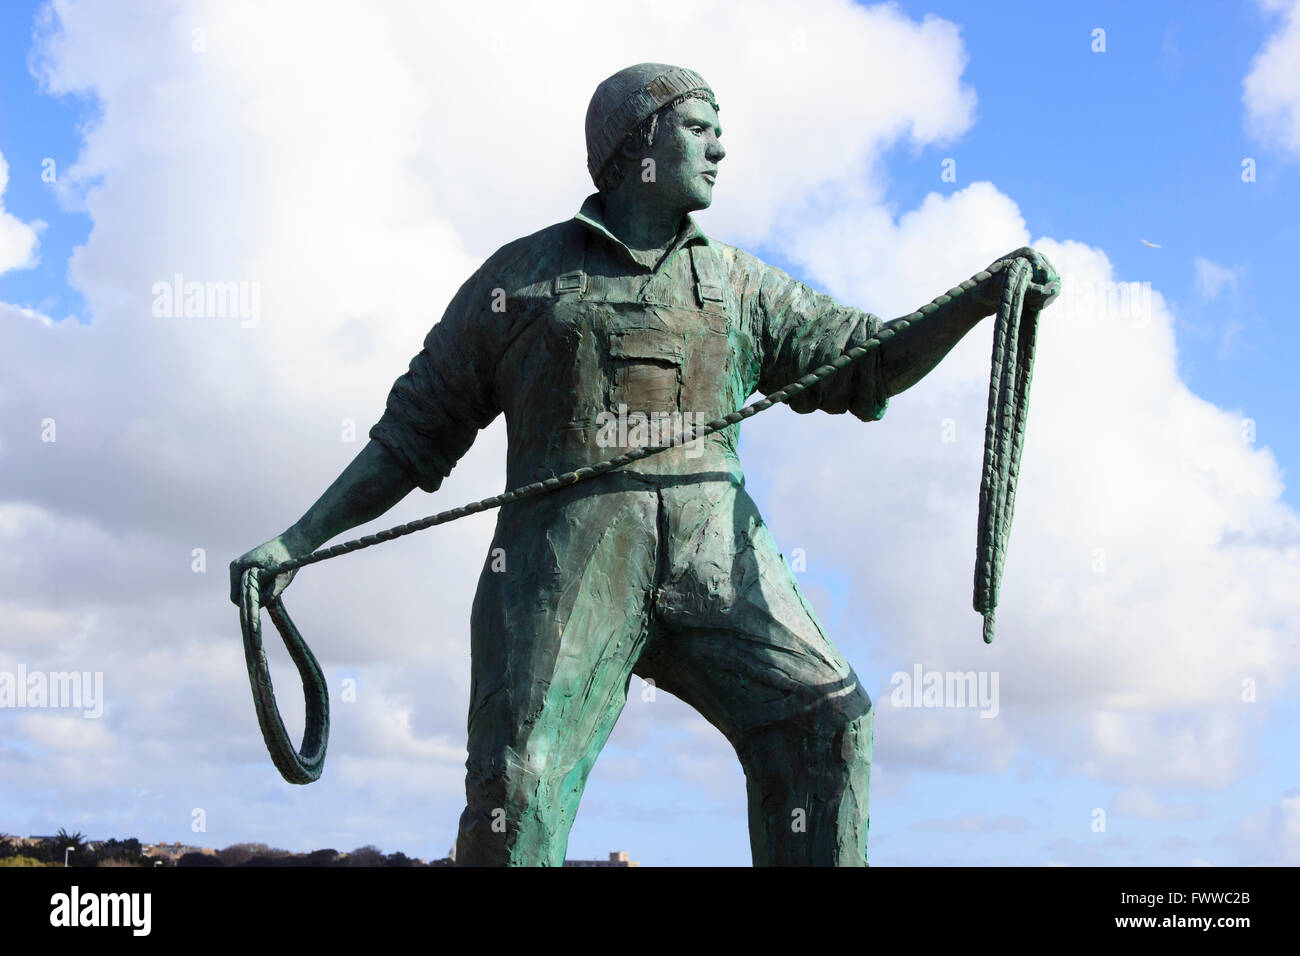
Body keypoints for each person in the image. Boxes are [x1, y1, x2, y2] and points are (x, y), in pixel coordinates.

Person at [231, 63, 1056, 866]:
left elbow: (866, 361)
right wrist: (297, 541)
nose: (719, 150)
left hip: (716, 551)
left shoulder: (737, 282)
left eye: (719, 133)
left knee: (826, 723)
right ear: (637, 143)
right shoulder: (521, 279)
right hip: (562, 561)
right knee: (517, 785)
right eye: (699, 128)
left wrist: (980, 299)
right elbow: (411, 434)